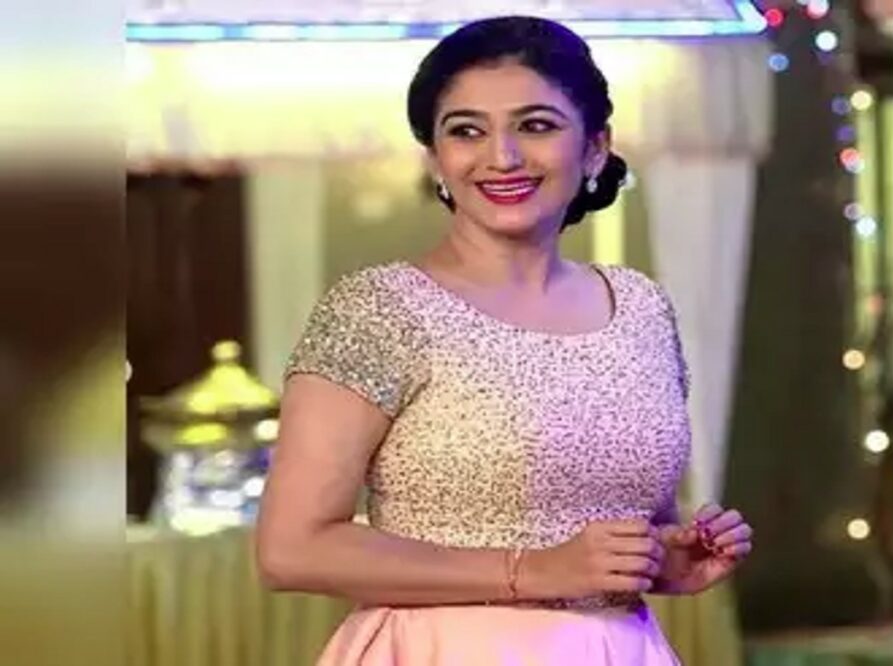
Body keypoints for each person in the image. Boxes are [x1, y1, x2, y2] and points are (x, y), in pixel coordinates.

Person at [256, 15, 753, 665]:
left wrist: (663, 558)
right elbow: (291, 549)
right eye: (467, 131)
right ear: (435, 159)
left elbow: (622, 515)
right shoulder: (378, 310)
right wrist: (533, 570)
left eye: (536, 125)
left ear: (595, 148)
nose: (503, 157)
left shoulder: (641, 308)